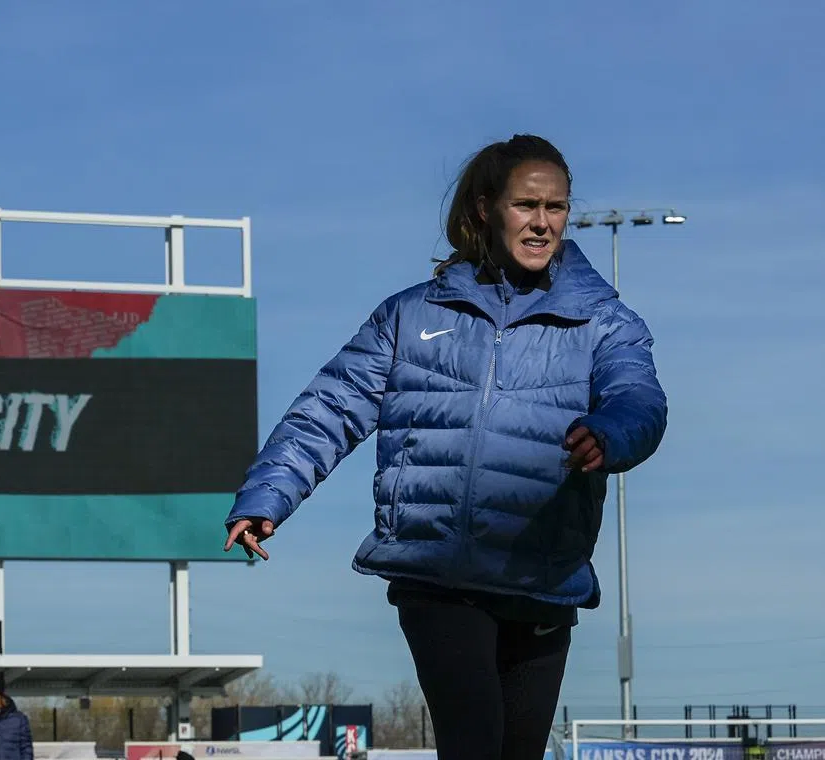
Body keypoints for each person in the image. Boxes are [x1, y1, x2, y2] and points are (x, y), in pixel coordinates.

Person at [223, 134, 668, 760]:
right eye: (526, 205)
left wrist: (611, 434)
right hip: (439, 574)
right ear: (486, 208)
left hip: (543, 574)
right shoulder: (409, 316)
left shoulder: (605, 321)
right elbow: (329, 409)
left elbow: (640, 400)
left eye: (557, 207)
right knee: (474, 746)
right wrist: (268, 495)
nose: (543, 223)